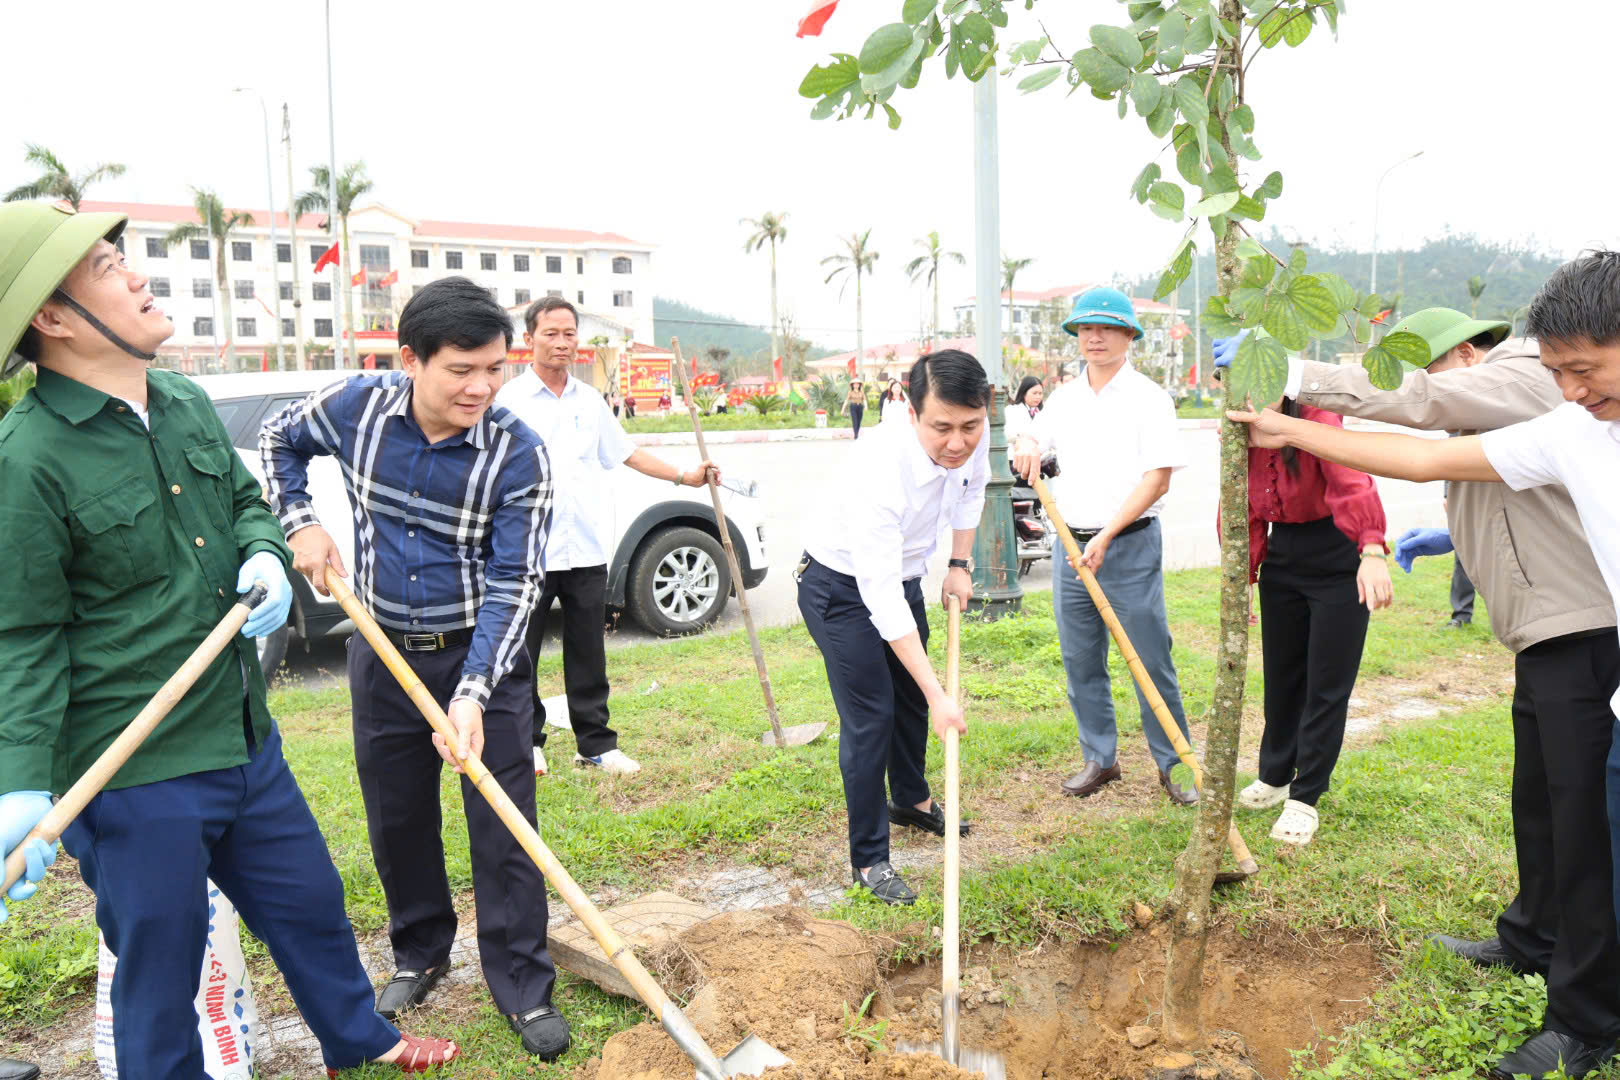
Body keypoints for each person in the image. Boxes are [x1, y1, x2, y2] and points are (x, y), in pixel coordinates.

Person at [0, 202, 450, 1076]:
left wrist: (262, 551)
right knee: (160, 968)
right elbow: (21, 635)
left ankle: (361, 1044)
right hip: (134, 770)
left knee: (312, 905)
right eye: (104, 268)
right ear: (52, 319)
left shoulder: (177, 400)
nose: (135, 275)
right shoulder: (26, 460)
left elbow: (246, 503)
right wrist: (18, 786)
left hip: (241, 732)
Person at [1228, 254, 1620, 1080]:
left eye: (1582, 370)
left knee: (1588, 830)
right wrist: (1293, 430)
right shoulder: (1572, 420)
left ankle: (1585, 1017)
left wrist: (1294, 377)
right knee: (1546, 803)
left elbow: (1421, 407)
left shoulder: (1521, 379)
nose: (1572, 386)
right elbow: (1433, 462)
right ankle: (1534, 938)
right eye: (1564, 372)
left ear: (1469, 353)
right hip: (1545, 636)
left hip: (1586, 633)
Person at [261, 277, 568, 1060]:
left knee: (502, 824)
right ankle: (421, 948)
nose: (482, 387)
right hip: (383, 648)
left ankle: (522, 985)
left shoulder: (518, 454)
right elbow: (277, 440)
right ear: (410, 360)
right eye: (462, 369)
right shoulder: (355, 408)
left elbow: (515, 584)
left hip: (479, 653)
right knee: (397, 814)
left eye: (495, 369)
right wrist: (300, 522)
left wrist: (472, 692)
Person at [495, 296, 717, 778]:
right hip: (526, 550)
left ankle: (594, 743)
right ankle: (526, 742)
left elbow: (628, 453)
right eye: (550, 333)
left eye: (569, 333)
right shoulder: (506, 403)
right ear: (529, 340)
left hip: (585, 547)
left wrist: (685, 476)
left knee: (588, 653)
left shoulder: (589, 402)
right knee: (520, 652)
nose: (561, 342)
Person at [798, 349, 988, 905]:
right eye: (942, 428)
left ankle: (911, 798)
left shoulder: (969, 444)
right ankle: (870, 860)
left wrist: (958, 564)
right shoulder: (879, 467)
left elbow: (973, 490)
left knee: (906, 698)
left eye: (970, 427)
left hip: (901, 579)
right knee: (871, 715)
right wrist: (941, 695)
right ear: (911, 411)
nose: (957, 443)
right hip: (840, 586)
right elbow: (876, 593)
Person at [1012, 287, 1198, 806]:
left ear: (1128, 335)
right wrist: (1027, 444)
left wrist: (1108, 535)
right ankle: (1100, 756)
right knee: (1080, 658)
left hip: (1129, 545)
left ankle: (1175, 763)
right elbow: (1035, 440)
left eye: (1107, 328)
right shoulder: (1065, 398)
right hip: (1071, 547)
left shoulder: (1149, 398)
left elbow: (1157, 480)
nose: (1094, 337)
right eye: (1085, 329)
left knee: (1149, 659)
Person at [1228, 395, 1392, 845]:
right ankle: (1275, 775)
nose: (1251, 390)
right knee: (1282, 677)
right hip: (1284, 557)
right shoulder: (1237, 424)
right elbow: (1239, 501)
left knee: (1326, 683)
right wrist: (1243, 573)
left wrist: (1371, 548)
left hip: (1338, 556)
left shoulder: (1315, 417)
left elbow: (1351, 478)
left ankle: (1306, 796)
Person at [1002, 375, 1045, 464]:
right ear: (1024, 393)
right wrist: (1022, 437)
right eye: (1034, 393)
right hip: (1015, 461)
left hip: (1037, 461)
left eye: (1040, 393)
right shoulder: (1011, 410)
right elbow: (1006, 435)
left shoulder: (1042, 413)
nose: (1038, 397)